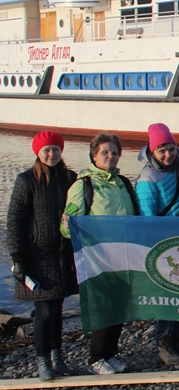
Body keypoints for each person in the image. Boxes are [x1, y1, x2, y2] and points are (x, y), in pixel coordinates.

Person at [60, 132, 138, 375]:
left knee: (120, 306)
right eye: (105, 152)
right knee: (104, 306)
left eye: (114, 152)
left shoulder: (124, 183)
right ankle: (96, 358)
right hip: (98, 258)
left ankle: (111, 353)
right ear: (94, 155)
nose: (110, 156)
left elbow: (135, 217)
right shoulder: (83, 185)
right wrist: (67, 224)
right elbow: (66, 228)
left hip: (123, 255)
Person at [7, 131, 79, 381]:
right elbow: (15, 220)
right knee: (45, 311)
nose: (51, 154)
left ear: (61, 151)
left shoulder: (70, 178)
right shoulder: (27, 180)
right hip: (38, 256)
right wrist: (18, 257)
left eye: (55, 149)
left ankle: (58, 358)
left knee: (57, 310)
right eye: (46, 150)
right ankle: (42, 360)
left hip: (63, 254)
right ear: (38, 153)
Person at [134, 123, 179, 365]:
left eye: (171, 148)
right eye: (161, 150)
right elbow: (148, 218)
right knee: (168, 295)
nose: (168, 155)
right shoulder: (147, 178)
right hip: (164, 243)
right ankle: (164, 342)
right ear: (152, 151)